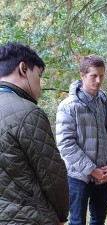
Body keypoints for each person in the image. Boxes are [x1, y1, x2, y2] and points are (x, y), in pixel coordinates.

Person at [0, 42, 69, 224]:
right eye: (38, 75)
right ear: (23, 68)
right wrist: (62, 214)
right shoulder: (28, 112)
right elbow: (53, 176)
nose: (39, 84)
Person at [55, 54, 107, 225]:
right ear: (82, 75)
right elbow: (66, 145)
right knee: (77, 222)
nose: (99, 80)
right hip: (78, 177)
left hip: (103, 177)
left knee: (99, 220)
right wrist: (92, 170)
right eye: (94, 76)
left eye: (102, 75)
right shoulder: (69, 106)